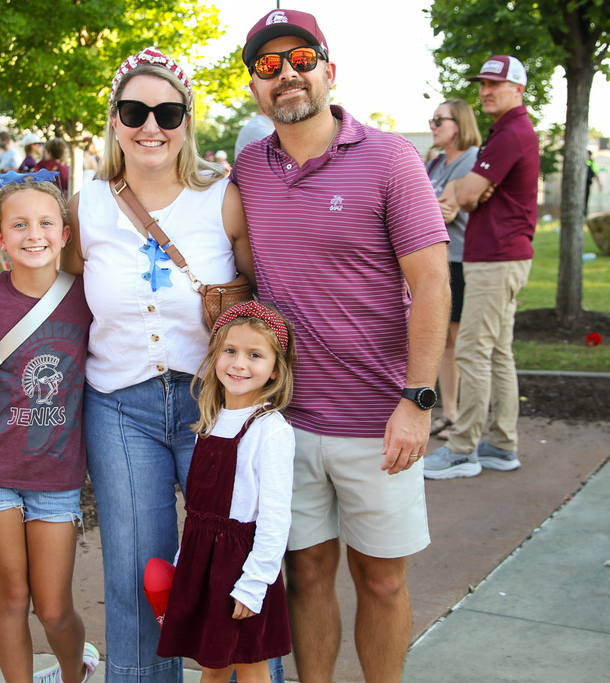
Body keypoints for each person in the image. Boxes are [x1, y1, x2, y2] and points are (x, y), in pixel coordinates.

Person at [232, 10, 450, 682]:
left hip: (379, 420)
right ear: (255, 87)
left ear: (330, 70)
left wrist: (417, 400)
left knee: (381, 580)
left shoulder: (391, 157)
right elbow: (237, 266)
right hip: (286, 421)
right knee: (304, 573)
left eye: (301, 59)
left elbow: (432, 283)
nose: (286, 74)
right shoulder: (249, 168)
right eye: (268, 66)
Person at [62, 45, 259, 683]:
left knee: (233, 562)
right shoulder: (85, 206)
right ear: (114, 120)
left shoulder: (223, 199)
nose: (151, 126)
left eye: (167, 113)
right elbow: (59, 295)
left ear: (187, 122)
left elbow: (259, 299)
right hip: (121, 406)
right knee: (136, 570)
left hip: (213, 405)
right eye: (134, 111)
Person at [0, 174, 97, 683]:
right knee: (12, 597)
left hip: (56, 477)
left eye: (45, 223)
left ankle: (73, 673)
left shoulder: (88, 297)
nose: (33, 234)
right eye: (19, 225)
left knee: (54, 608)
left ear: (65, 235)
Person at [157, 301, 296, 682]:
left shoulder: (271, 430)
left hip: (242, 567)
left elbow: (274, 519)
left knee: (250, 665)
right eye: (230, 351)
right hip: (204, 563)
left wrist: (254, 584)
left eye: (255, 355)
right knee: (212, 665)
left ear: (275, 369)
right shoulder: (211, 421)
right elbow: (198, 512)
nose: (239, 364)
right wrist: (185, 562)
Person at [424, 55, 539, 480]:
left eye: (495, 84)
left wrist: (466, 189)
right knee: (497, 352)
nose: (486, 91)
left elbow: (467, 197)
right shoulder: (506, 131)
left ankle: (462, 449)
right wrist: (467, 187)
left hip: (497, 257)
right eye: (483, 84)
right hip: (499, 255)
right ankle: (502, 445)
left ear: (518, 89)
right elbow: (468, 192)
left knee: (471, 350)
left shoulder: (511, 133)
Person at [425, 99, 481, 440]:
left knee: (459, 340)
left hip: (459, 258)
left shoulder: (472, 159)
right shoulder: (434, 163)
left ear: (458, 124)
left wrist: (428, 206)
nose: (432, 126)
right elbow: (428, 206)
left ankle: (464, 419)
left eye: (438, 120)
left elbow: (447, 210)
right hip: (434, 260)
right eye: (431, 120)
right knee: (443, 340)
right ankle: (449, 413)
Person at [585, 150, 602, 214]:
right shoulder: (583, 162)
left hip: (587, 183)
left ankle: (585, 212)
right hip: (582, 184)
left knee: (586, 198)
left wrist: (599, 184)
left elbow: (595, 173)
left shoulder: (592, 163)